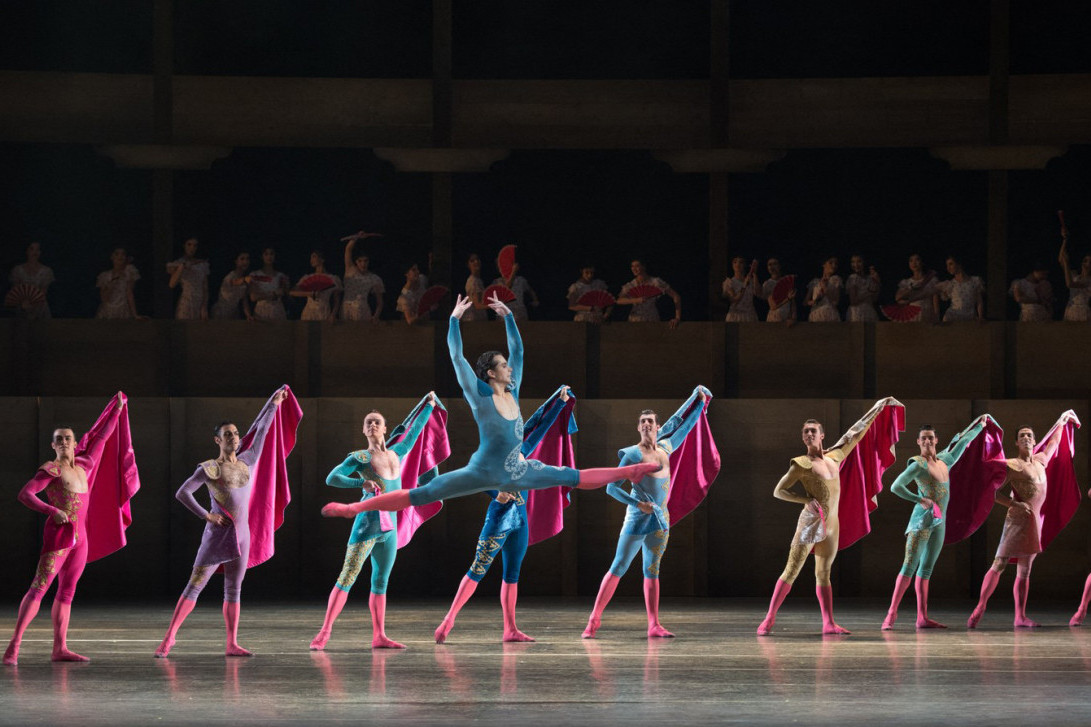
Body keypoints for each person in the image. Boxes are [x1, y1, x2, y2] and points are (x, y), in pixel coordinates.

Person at [321, 293, 659, 516]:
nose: (510, 367)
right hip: (479, 471)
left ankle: (629, 471)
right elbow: (456, 355)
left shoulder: (513, 389)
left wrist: (509, 316)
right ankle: (354, 510)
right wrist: (454, 320)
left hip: (517, 469)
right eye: (503, 365)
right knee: (422, 495)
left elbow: (520, 352)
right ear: (489, 373)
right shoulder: (480, 396)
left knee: (572, 476)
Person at [155, 386, 301, 657]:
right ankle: (169, 638)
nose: (233, 438)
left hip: (243, 535)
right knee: (195, 585)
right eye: (227, 435)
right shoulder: (210, 468)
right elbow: (182, 492)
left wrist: (274, 405)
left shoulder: (249, 460)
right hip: (217, 535)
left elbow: (263, 432)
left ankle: (232, 642)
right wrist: (206, 515)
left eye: (235, 433)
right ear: (217, 441)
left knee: (234, 589)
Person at [434, 386, 577, 644]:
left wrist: (559, 403)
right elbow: (473, 478)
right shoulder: (489, 454)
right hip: (499, 518)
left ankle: (510, 628)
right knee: (478, 568)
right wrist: (495, 493)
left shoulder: (522, 449)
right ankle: (449, 619)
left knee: (512, 574)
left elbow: (541, 429)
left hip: (520, 521)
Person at [4, 393, 138, 665]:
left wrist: (117, 409)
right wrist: (52, 510)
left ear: (75, 444)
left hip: (81, 540)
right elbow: (25, 495)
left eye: (68, 438)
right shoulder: (51, 470)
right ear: (53, 445)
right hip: (59, 537)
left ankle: (59, 648)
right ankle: (13, 647)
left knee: (67, 592)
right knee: (39, 589)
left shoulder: (86, 466)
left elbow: (102, 438)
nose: (64, 442)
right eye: (59, 439)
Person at [757, 397, 902, 635]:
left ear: (822, 436)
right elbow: (778, 491)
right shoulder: (800, 464)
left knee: (823, 573)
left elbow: (854, 435)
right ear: (803, 437)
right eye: (806, 432)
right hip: (810, 523)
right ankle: (769, 619)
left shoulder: (835, 458)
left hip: (832, 525)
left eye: (813, 431)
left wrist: (878, 409)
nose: (809, 435)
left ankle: (828, 623)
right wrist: (805, 500)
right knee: (792, 570)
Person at [311, 393, 446, 650]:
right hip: (367, 525)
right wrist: (360, 482)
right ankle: (325, 631)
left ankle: (379, 635)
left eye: (376, 422)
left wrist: (429, 405)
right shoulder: (360, 457)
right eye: (368, 423)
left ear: (385, 428)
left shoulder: (398, 452)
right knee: (348, 576)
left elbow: (416, 430)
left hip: (390, 528)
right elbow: (332, 477)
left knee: (381, 581)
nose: (372, 425)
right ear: (364, 430)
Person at [582, 386, 716, 639]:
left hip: (660, 521)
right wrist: (637, 505)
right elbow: (611, 488)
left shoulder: (666, 448)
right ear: (638, 428)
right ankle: (593, 620)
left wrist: (700, 403)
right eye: (642, 422)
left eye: (650, 422)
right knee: (619, 566)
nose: (646, 425)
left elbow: (684, 426)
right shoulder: (632, 454)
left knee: (652, 571)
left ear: (657, 426)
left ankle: (654, 624)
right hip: (637, 521)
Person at [967, 412, 1079, 629]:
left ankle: (1020, 616)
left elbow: (1054, 443)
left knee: (1025, 570)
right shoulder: (1012, 465)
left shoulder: (1041, 461)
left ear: (1035, 440)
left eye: (1029, 435)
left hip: (1034, 521)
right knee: (999, 563)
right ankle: (980, 606)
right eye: (1022, 436)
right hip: (1016, 521)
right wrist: (1014, 505)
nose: (1027, 438)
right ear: (1017, 442)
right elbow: (991, 492)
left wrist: (1062, 421)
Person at [881, 417, 990, 630]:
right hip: (921, 522)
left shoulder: (945, 461)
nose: (928, 442)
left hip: (940, 523)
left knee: (926, 570)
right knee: (909, 566)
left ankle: (922, 617)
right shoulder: (917, 464)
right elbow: (896, 486)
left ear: (936, 440)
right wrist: (919, 499)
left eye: (931, 438)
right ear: (918, 442)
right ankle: (891, 614)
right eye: (924, 439)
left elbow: (963, 443)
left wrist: (980, 425)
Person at [617, 259, 681, 329]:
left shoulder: (655, 282)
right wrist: (635, 300)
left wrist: (677, 318)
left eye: (637, 266)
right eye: (632, 266)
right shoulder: (631, 285)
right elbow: (619, 300)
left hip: (651, 317)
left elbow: (676, 296)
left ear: (644, 267)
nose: (634, 269)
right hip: (635, 319)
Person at [341, 234, 385, 322]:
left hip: (362, 310)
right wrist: (356, 237)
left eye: (365, 261)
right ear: (356, 262)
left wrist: (375, 316)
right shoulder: (350, 270)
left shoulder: (374, 278)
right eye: (360, 261)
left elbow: (380, 302)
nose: (363, 264)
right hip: (346, 309)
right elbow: (348, 249)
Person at [291, 250, 342, 321]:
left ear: (322, 259)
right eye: (311, 257)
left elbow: (337, 300)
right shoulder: (307, 277)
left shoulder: (333, 278)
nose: (311, 260)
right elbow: (292, 292)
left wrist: (333, 314)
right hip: (309, 311)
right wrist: (309, 294)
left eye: (314, 256)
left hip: (324, 310)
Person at [167, 237, 210, 320]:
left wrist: (204, 307)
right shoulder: (178, 263)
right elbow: (172, 284)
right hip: (186, 301)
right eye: (189, 245)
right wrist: (181, 267)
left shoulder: (202, 264)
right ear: (184, 246)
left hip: (199, 301)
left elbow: (205, 287)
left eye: (195, 246)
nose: (192, 248)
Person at [8, 241, 54, 319]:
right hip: (22, 306)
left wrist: (33, 303)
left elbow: (43, 292)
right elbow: (16, 290)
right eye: (32, 249)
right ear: (27, 251)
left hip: (40, 308)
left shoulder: (46, 271)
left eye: (37, 250)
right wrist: (23, 303)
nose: (35, 253)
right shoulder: (17, 270)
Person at [95, 247, 142, 319]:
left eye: (123, 254)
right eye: (117, 254)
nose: (120, 256)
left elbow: (129, 294)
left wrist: (135, 315)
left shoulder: (129, 272)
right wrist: (112, 284)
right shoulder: (104, 276)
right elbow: (104, 298)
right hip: (108, 310)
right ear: (112, 257)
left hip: (123, 309)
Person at [938, 255, 985, 322]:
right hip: (953, 316)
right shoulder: (950, 284)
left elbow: (979, 301)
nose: (948, 268)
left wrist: (980, 317)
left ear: (959, 264)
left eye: (951, 264)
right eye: (947, 265)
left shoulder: (974, 281)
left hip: (969, 317)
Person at [895, 253, 940, 323]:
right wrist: (911, 290)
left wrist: (937, 316)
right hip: (912, 313)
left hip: (927, 312)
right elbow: (898, 298)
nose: (914, 263)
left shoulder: (932, 280)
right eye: (911, 261)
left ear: (922, 262)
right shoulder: (906, 282)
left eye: (917, 260)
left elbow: (935, 301)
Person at [249, 247, 290, 321]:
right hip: (261, 310)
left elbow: (284, 293)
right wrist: (273, 294)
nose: (269, 257)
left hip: (277, 309)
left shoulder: (281, 276)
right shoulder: (255, 275)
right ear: (262, 256)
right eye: (266, 254)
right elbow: (253, 297)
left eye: (271, 254)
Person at [211, 252, 253, 320]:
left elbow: (244, 300)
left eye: (247, 259)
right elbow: (234, 282)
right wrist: (244, 280)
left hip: (233, 313)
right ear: (236, 261)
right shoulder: (231, 276)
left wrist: (248, 315)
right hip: (221, 313)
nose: (245, 262)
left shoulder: (244, 279)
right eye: (242, 259)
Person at [1059, 242, 1091, 322]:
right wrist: (1065, 241)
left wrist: (1066, 263)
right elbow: (1061, 260)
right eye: (1086, 261)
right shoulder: (1075, 275)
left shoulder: (1089, 280)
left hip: (1083, 310)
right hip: (1071, 308)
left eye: (1090, 262)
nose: (1087, 264)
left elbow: (1070, 284)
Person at [722, 257, 759, 322]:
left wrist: (754, 274)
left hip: (750, 316)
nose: (738, 264)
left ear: (744, 265)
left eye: (741, 262)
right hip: (736, 316)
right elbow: (734, 299)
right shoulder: (729, 282)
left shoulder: (750, 281)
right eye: (735, 262)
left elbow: (758, 293)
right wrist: (744, 285)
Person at [845, 254, 880, 322]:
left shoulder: (870, 278)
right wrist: (869, 292)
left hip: (869, 311)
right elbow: (853, 301)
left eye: (859, 261)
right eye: (853, 262)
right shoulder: (853, 278)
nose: (856, 265)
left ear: (864, 262)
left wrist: (877, 283)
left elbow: (874, 299)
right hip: (857, 312)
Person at [805, 257, 842, 322]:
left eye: (836, 264)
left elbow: (836, 301)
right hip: (816, 314)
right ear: (824, 264)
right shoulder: (815, 281)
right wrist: (812, 302)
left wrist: (825, 288)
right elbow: (805, 302)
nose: (834, 265)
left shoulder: (835, 280)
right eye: (831, 263)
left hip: (830, 314)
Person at [762, 258, 795, 323]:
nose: (772, 267)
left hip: (787, 317)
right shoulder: (768, 284)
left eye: (774, 264)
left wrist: (793, 317)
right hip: (775, 317)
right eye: (769, 264)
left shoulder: (787, 280)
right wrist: (787, 298)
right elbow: (773, 306)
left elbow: (793, 303)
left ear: (780, 266)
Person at [463, 253, 488, 322]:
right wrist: (494, 305)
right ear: (468, 265)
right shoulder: (473, 281)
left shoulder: (478, 280)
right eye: (472, 261)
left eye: (477, 259)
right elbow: (477, 305)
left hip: (478, 317)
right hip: (474, 319)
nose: (476, 262)